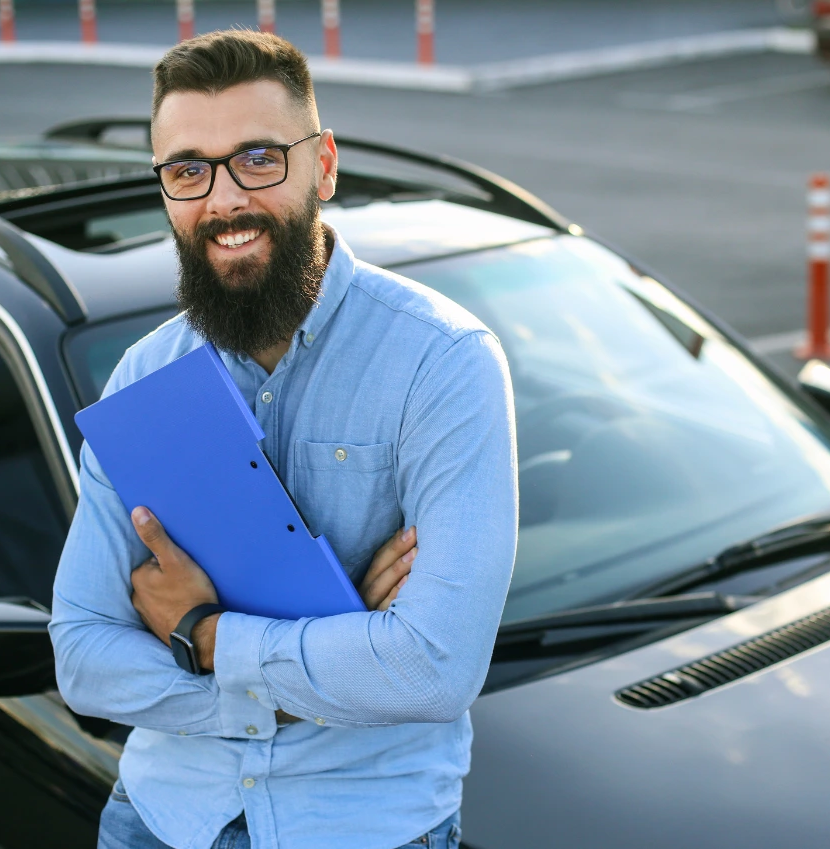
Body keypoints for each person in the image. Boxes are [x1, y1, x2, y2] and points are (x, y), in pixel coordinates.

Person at [48, 27, 518, 849]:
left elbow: (434, 668)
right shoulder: (142, 378)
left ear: (323, 166)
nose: (224, 200)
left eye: (259, 157)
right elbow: (84, 657)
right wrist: (341, 664)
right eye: (188, 170)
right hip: (161, 822)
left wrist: (202, 633)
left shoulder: (442, 362)